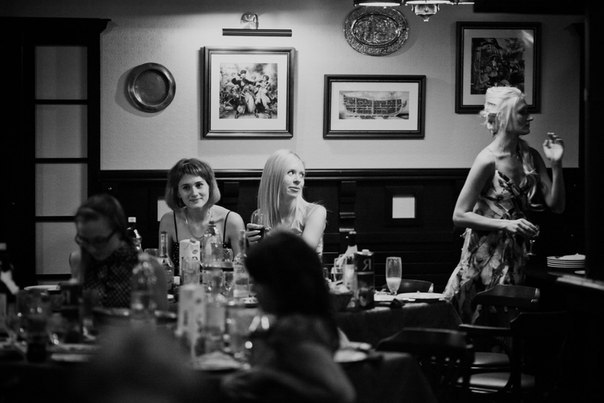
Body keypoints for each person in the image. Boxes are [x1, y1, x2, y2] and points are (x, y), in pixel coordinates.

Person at [443, 86, 565, 323]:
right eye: (522, 112)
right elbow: (459, 215)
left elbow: (557, 205)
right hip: (482, 258)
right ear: (503, 116)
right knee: (475, 325)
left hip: (514, 257)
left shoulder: (531, 156)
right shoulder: (487, 160)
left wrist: (557, 164)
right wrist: (507, 225)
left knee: (506, 326)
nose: (530, 117)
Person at [222, 229, 355, 403]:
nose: (253, 290)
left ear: (280, 285)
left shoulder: (297, 332)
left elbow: (340, 392)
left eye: (258, 282)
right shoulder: (308, 323)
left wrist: (268, 378)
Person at [69, 194, 168, 310]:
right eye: (84, 240)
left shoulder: (149, 267)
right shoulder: (80, 260)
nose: (91, 248)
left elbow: (161, 318)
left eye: (99, 241)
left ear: (119, 232)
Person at [159, 158, 245, 270]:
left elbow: (242, 269)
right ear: (178, 193)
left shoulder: (232, 220)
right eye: (186, 187)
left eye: (199, 185)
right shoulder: (168, 221)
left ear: (210, 186)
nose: (194, 193)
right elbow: (163, 269)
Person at [246, 149, 326, 256]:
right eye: (291, 173)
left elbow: (303, 256)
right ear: (273, 177)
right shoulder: (259, 215)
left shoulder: (315, 212)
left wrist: (265, 246)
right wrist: (251, 246)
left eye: (301, 175)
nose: (298, 180)